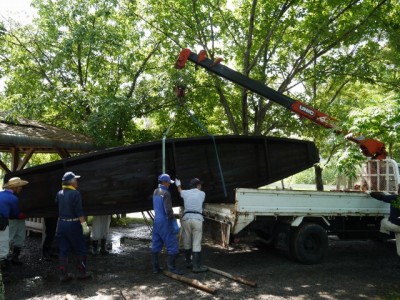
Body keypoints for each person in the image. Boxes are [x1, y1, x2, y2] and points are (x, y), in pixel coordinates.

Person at [55, 171, 91, 281]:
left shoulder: (59, 193)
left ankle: (63, 275)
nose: (77, 181)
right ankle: (82, 273)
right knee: (81, 248)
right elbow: (79, 212)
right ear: (71, 182)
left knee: (63, 249)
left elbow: (57, 204)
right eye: (75, 179)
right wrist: (84, 225)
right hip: (73, 224)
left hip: (62, 224)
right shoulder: (76, 194)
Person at [151, 173, 182, 275]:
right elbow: (168, 209)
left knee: (156, 244)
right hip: (165, 221)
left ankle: (155, 269)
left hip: (156, 221)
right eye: (168, 182)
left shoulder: (155, 191)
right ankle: (172, 269)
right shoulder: (166, 193)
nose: (169, 184)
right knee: (172, 244)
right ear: (164, 182)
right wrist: (173, 220)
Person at [175, 178, 208, 273]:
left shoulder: (185, 192)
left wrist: (178, 185)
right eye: (200, 184)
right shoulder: (202, 193)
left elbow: (180, 190)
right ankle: (196, 267)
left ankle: (188, 262)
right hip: (197, 219)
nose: (201, 186)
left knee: (187, 241)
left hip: (186, 219)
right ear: (198, 185)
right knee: (196, 242)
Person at [0, 177, 29, 282]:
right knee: (3, 246)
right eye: (20, 186)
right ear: (15, 187)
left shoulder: (1, 194)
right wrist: (22, 215)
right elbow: (15, 214)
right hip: (2, 222)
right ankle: (3, 274)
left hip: (2, 219)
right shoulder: (13, 198)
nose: (21, 188)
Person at [369, 187, 400, 258]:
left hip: (395, 226)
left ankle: (384, 234)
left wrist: (370, 192)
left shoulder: (395, 198)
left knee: (383, 221)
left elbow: (381, 197)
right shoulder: (394, 198)